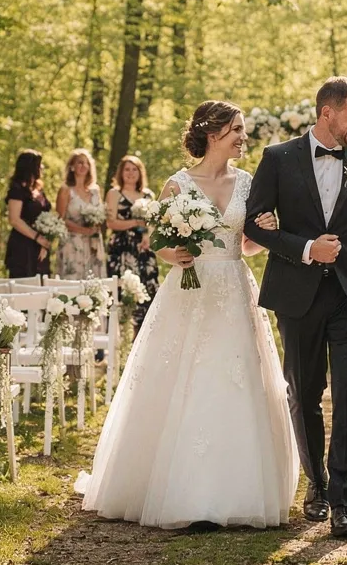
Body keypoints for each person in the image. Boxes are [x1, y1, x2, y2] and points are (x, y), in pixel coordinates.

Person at [79, 102, 298, 530]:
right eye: (236, 130)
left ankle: (232, 491)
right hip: (189, 290)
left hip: (234, 289)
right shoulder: (177, 185)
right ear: (213, 133)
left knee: (233, 379)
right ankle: (181, 492)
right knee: (185, 377)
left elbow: (248, 245)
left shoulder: (249, 183)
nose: (243, 138)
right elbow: (156, 241)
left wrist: (266, 231)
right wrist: (173, 253)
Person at [243, 76, 347, 541]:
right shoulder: (278, 158)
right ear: (327, 113)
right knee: (304, 391)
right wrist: (308, 247)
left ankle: (344, 502)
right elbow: (253, 224)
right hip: (298, 293)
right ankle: (317, 483)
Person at [104, 153, 159, 325]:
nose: (130, 173)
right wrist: (135, 222)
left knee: (146, 290)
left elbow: (154, 221)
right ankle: (118, 338)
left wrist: (147, 236)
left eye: (134, 169)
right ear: (121, 172)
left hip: (144, 249)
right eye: (127, 169)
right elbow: (111, 223)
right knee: (121, 292)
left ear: (140, 172)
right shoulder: (114, 193)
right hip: (121, 248)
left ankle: (140, 340)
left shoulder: (148, 195)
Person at [51, 148, 106, 279]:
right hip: (72, 243)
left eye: (86, 163)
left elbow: (101, 214)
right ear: (72, 167)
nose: (83, 166)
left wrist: (95, 226)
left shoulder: (95, 190)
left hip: (93, 244)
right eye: (79, 162)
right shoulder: (66, 190)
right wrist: (83, 230)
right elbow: (60, 220)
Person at [3, 149, 51, 278]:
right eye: (39, 165)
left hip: (40, 247)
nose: (42, 168)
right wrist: (37, 237)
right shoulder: (17, 190)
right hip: (23, 246)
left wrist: (45, 242)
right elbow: (14, 219)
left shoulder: (39, 190)